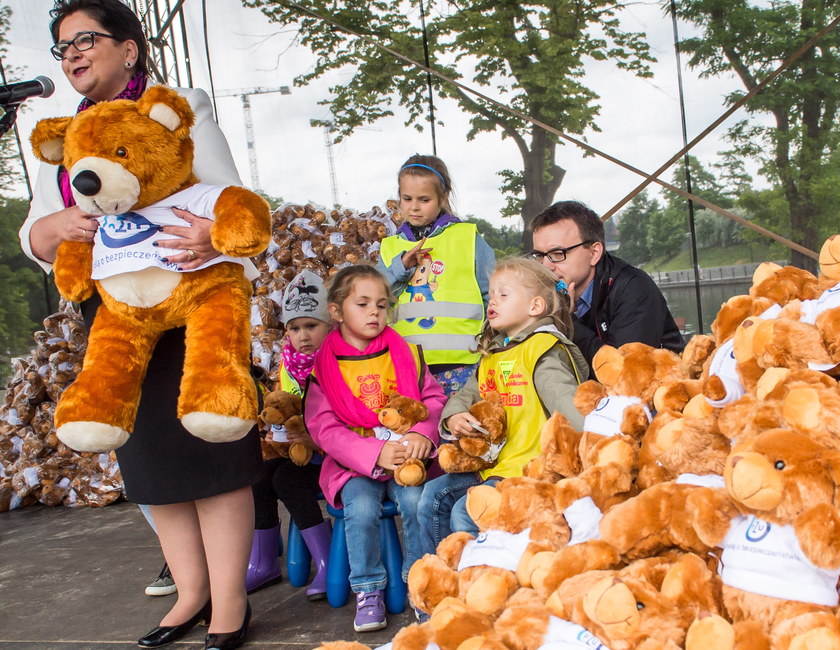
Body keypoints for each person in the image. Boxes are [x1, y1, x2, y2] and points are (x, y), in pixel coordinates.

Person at [19, 0, 257, 650]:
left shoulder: (181, 113)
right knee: (153, 469)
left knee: (214, 458)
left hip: (194, 313)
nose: (72, 56)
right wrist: (51, 226)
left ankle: (231, 607)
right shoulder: (66, 139)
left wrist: (215, 235)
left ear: (129, 49)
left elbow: (236, 200)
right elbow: (31, 237)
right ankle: (190, 595)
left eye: (84, 41)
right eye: (63, 47)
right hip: (118, 320)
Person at [304, 265, 446, 632]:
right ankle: (368, 588)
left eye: (382, 305)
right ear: (336, 311)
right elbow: (323, 427)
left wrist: (422, 435)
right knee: (363, 507)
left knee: (418, 502)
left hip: (406, 456)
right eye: (363, 304)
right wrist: (371, 453)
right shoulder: (324, 365)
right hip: (353, 464)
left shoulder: (405, 352)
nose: (374, 313)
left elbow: (432, 398)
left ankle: (420, 584)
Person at [418, 257, 588, 553]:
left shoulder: (542, 350)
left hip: (531, 469)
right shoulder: (494, 353)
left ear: (535, 307)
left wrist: (593, 446)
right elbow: (466, 394)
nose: (492, 301)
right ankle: (442, 577)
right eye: (491, 294)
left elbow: (570, 406)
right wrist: (454, 415)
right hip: (497, 465)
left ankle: (482, 581)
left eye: (503, 294)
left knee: (464, 512)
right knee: (433, 494)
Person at [375, 155, 496, 396]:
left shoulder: (468, 238)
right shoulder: (389, 248)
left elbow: (492, 295)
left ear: (443, 197)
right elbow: (372, 301)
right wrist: (399, 267)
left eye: (424, 199)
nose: (414, 207)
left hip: (465, 366)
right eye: (407, 198)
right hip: (407, 370)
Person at [246, 270, 331, 600]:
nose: (303, 335)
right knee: (261, 473)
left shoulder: (341, 360)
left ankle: (328, 561)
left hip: (336, 455)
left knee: (287, 480)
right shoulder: (289, 364)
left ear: (330, 324)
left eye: (312, 325)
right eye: (294, 328)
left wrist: (313, 439)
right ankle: (264, 562)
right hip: (304, 453)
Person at [528, 201, 684, 373]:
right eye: (539, 256)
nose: (545, 266)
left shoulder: (633, 288)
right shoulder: (541, 295)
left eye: (558, 254)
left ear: (594, 253)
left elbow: (623, 373)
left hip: (660, 393)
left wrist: (567, 320)